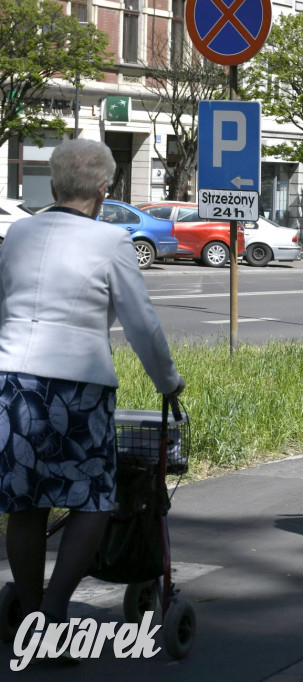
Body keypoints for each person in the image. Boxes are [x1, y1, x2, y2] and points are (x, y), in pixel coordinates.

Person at [0, 138, 185, 635]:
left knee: (26, 503)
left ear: (54, 186)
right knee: (93, 499)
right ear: (105, 189)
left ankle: (30, 612)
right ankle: (55, 610)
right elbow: (142, 325)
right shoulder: (111, 242)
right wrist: (168, 382)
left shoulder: (18, 233)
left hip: (13, 383)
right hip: (78, 389)